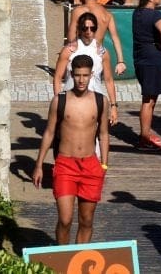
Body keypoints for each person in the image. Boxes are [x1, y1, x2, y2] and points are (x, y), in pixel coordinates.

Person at [33, 54, 111, 245]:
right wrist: (39, 164)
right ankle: (62, 257)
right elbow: (49, 133)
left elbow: (103, 134)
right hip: (66, 164)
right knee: (65, 219)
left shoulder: (101, 101)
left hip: (91, 165)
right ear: (71, 74)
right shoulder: (60, 101)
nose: (81, 80)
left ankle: (78, 261)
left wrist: (104, 165)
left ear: (92, 75)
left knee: (86, 220)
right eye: (77, 75)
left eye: (85, 75)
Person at [53, 12, 119, 126]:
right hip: (71, 100)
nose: (89, 32)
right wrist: (59, 102)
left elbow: (108, 80)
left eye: (92, 28)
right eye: (85, 28)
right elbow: (57, 78)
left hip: (94, 100)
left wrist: (113, 106)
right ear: (79, 29)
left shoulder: (102, 52)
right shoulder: (68, 50)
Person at [132, 0, 161, 149]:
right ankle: (145, 136)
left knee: (149, 99)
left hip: (141, 59)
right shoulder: (155, 15)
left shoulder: (136, 13)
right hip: (153, 60)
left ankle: (145, 135)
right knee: (149, 100)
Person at [66, 0, 127, 77]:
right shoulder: (107, 14)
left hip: (79, 56)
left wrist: (66, 54)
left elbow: (71, 37)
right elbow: (115, 38)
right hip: (97, 57)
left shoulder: (78, 11)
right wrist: (120, 61)